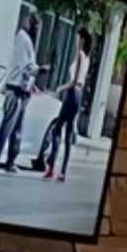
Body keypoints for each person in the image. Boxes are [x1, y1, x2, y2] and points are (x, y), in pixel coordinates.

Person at [41, 26, 98, 180]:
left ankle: (51, 166)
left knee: (57, 129)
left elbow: (73, 81)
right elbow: (81, 80)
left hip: (72, 94)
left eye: (77, 38)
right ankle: (63, 171)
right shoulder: (86, 57)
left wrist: (61, 88)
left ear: (82, 39)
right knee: (68, 132)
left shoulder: (79, 55)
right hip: (78, 96)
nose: (75, 41)